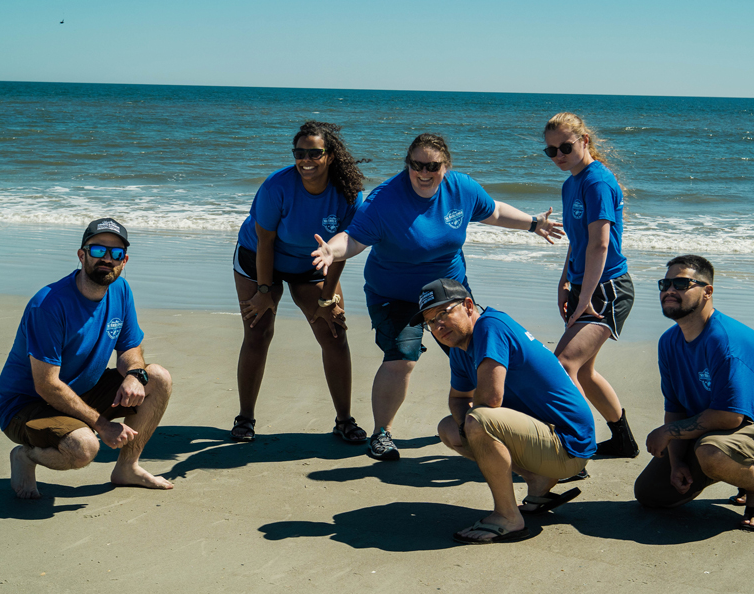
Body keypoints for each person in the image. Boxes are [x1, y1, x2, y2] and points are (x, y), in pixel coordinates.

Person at [312, 133, 563, 461]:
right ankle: (381, 434)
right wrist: (331, 251)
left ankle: (497, 426)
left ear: (446, 166)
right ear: (408, 164)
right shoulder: (385, 199)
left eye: (432, 166)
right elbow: (354, 239)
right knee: (403, 356)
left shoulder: (461, 188)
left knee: (479, 355)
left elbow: (494, 211)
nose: (423, 172)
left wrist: (533, 224)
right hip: (394, 294)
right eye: (416, 165)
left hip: (449, 292)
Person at [0, 218, 174, 499]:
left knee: (157, 378)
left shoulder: (120, 290)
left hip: (79, 391)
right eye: (98, 250)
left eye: (116, 253)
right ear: (82, 255)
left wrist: (134, 374)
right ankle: (26, 456)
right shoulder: (49, 305)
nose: (107, 258)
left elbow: (130, 347)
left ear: (124, 261)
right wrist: (103, 425)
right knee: (84, 447)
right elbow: (46, 385)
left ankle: (127, 468)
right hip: (27, 406)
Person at [412, 278, 595, 544]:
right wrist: (466, 429)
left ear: (468, 306)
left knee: (479, 421)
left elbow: (490, 399)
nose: (438, 326)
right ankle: (538, 481)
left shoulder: (490, 327)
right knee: (450, 428)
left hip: (569, 444)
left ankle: (508, 517)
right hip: (545, 439)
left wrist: (473, 429)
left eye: (443, 313)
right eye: (430, 322)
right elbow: (459, 398)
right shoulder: (460, 348)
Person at [635, 255, 754, 531]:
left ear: (707, 291)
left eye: (681, 283)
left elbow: (731, 417)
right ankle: (739, 469)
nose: (670, 290)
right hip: (715, 431)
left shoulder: (726, 341)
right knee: (650, 494)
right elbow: (675, 408)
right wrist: (676, 462)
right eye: (665, 284)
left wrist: (667, 432)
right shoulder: (669, 341)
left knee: (711, 453)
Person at [231, 121, 367, 443]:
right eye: (299, 153)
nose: (306, 160)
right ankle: (245, 418)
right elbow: (265, 242)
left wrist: (327, 299)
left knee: (334, 333)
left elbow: (341, 250)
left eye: (314, 153)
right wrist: (265, 291)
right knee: (258, 332)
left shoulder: (348, 194)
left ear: (330, 155)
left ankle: (344, 421)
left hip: (311, 265)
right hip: (258, 258)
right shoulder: (277, 186)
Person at [543, 112, 638, 461]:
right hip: (584, 285)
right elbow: (578, 240)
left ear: (584, 141)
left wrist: (584, 298)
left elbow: (600, 244)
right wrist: (565, 280)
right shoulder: (571, 182)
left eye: (565, 147)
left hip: (608, 290)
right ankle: (623, 441)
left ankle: (576, 451)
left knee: (562, 365)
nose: (559, 155)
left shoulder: (597, 182)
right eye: (551, 151)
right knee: (583, 370)